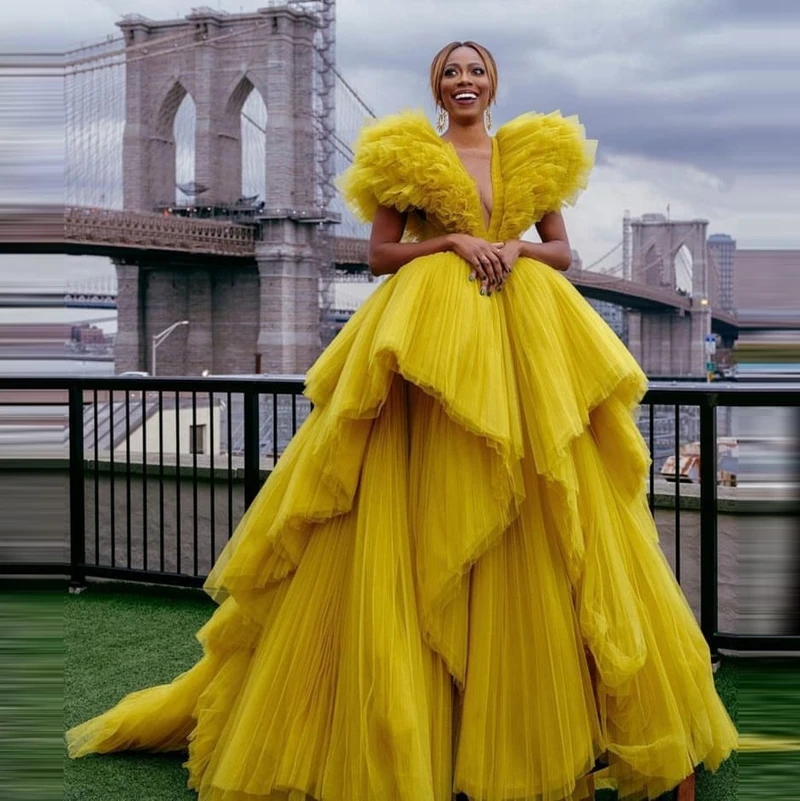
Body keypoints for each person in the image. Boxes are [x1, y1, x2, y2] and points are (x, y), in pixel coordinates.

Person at [66, 40, 738, 801]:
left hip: (526, 348)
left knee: (552, 515)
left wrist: (513, 247)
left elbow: (562, 249)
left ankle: (579, 732)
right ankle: (433, 741)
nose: (464, 82)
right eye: (451, 72)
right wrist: (452, 241)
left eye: (476, 71)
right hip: (426, 352)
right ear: (436, 85)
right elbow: (383, 255)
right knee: (414, 515)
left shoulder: (532, 154)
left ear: (493, 83)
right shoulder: (404, 155)